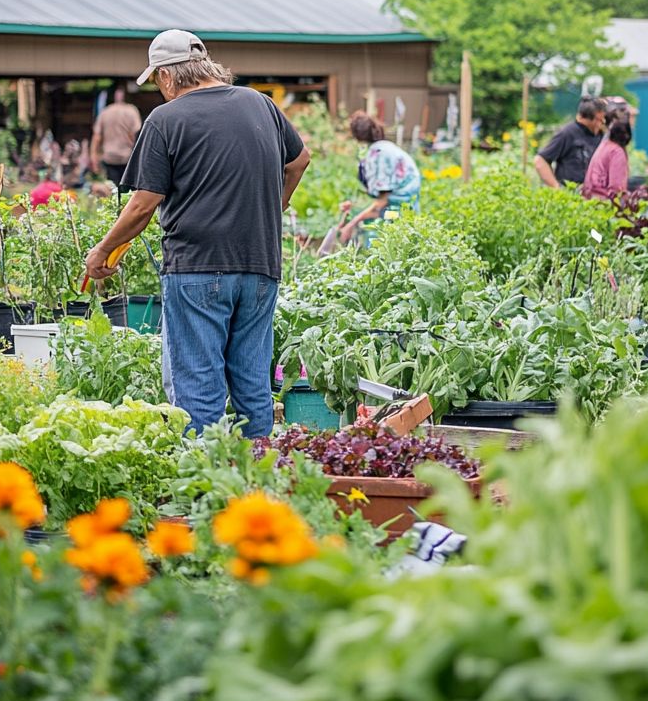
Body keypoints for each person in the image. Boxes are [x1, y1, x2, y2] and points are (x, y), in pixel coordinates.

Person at [83, 30, 310, 438]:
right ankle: (255, 481)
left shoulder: (166, 120)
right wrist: (277, 204)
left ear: (168, 76)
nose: (159, 91)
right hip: (260, 266)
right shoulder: (261, 105)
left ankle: (204, 488)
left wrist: (102, 250)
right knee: (252, 385)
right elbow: (299, 160)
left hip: (198, 269)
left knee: (198, 392)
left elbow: (142, 206)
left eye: (156, 82)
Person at [339, 111, 421, 243]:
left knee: (382, 244)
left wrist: (351, 224)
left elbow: (380, 203)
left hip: (397, 210)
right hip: (404, 205)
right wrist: (353, 207)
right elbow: (377, 194)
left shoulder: (379, 154)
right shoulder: (383, 148)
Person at [532, 98, 605, 189]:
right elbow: (540, 160)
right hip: (572, 193)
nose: (601, 124)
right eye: (599, 120)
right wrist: (557, 187)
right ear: (586, 119)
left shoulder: (601, 135)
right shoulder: (567, 133)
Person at [91, 87, 143, 186]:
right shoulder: (131, 111)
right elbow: (135, 134)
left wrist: (94, 156)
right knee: (128, 189)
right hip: (127, 156)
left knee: (113, 188)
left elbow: (97, 137)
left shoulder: (105, 112)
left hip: (109, 156)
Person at [581, 120, 632, 200]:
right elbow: (617, 188)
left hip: (589, 198)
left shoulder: (604, 145)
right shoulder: (617, 152)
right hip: (603, 202)